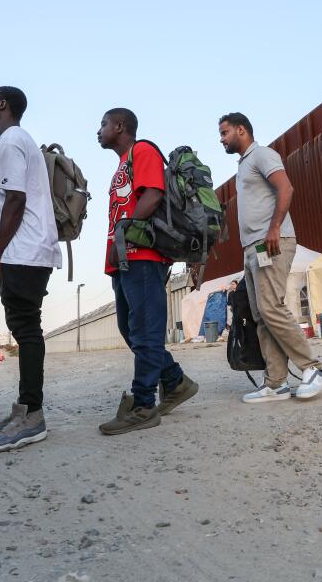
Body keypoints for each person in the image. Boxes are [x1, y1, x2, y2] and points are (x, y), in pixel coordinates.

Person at [97, 108, 198, 433]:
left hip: (143, 256)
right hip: (124, 259)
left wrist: (124, 233)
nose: (98, 131)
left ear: (120, 126)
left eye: (103, 124)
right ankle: (175, 381)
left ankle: (143, 406)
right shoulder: (122, 162)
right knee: (131, 331)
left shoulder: (142, 151)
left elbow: (153, 194)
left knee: (145, 332)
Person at [220, 113, 322, 402]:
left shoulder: (262, 155)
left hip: (272, 242)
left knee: (271, 308)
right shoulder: (243, 165)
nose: (222, 139)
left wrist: (275, 227)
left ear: (242, 130)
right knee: (261, 315)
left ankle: (312, 369)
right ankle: (276, 382)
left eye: (225, 132)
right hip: (253, 248)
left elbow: (286, 187)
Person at [0, 87, 62, 452]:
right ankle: (25, 408)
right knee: (23, 327)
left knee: (27, 329)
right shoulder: (14, 142)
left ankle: (33, 415)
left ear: (2, 105)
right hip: (28, 250)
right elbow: (13, 191)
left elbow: (16, 199)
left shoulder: (11, 140)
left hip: (23, 252)